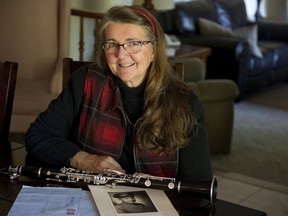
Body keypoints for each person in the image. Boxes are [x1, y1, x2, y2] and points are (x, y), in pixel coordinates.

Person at [25, 5, 213, 183]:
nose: (121, 55)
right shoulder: (84, 81)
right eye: (112, 44)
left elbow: (198, 185)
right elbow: (38, 136)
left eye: (133, 43)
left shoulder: (186, 101)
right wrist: (84, 159)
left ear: (154, 50)